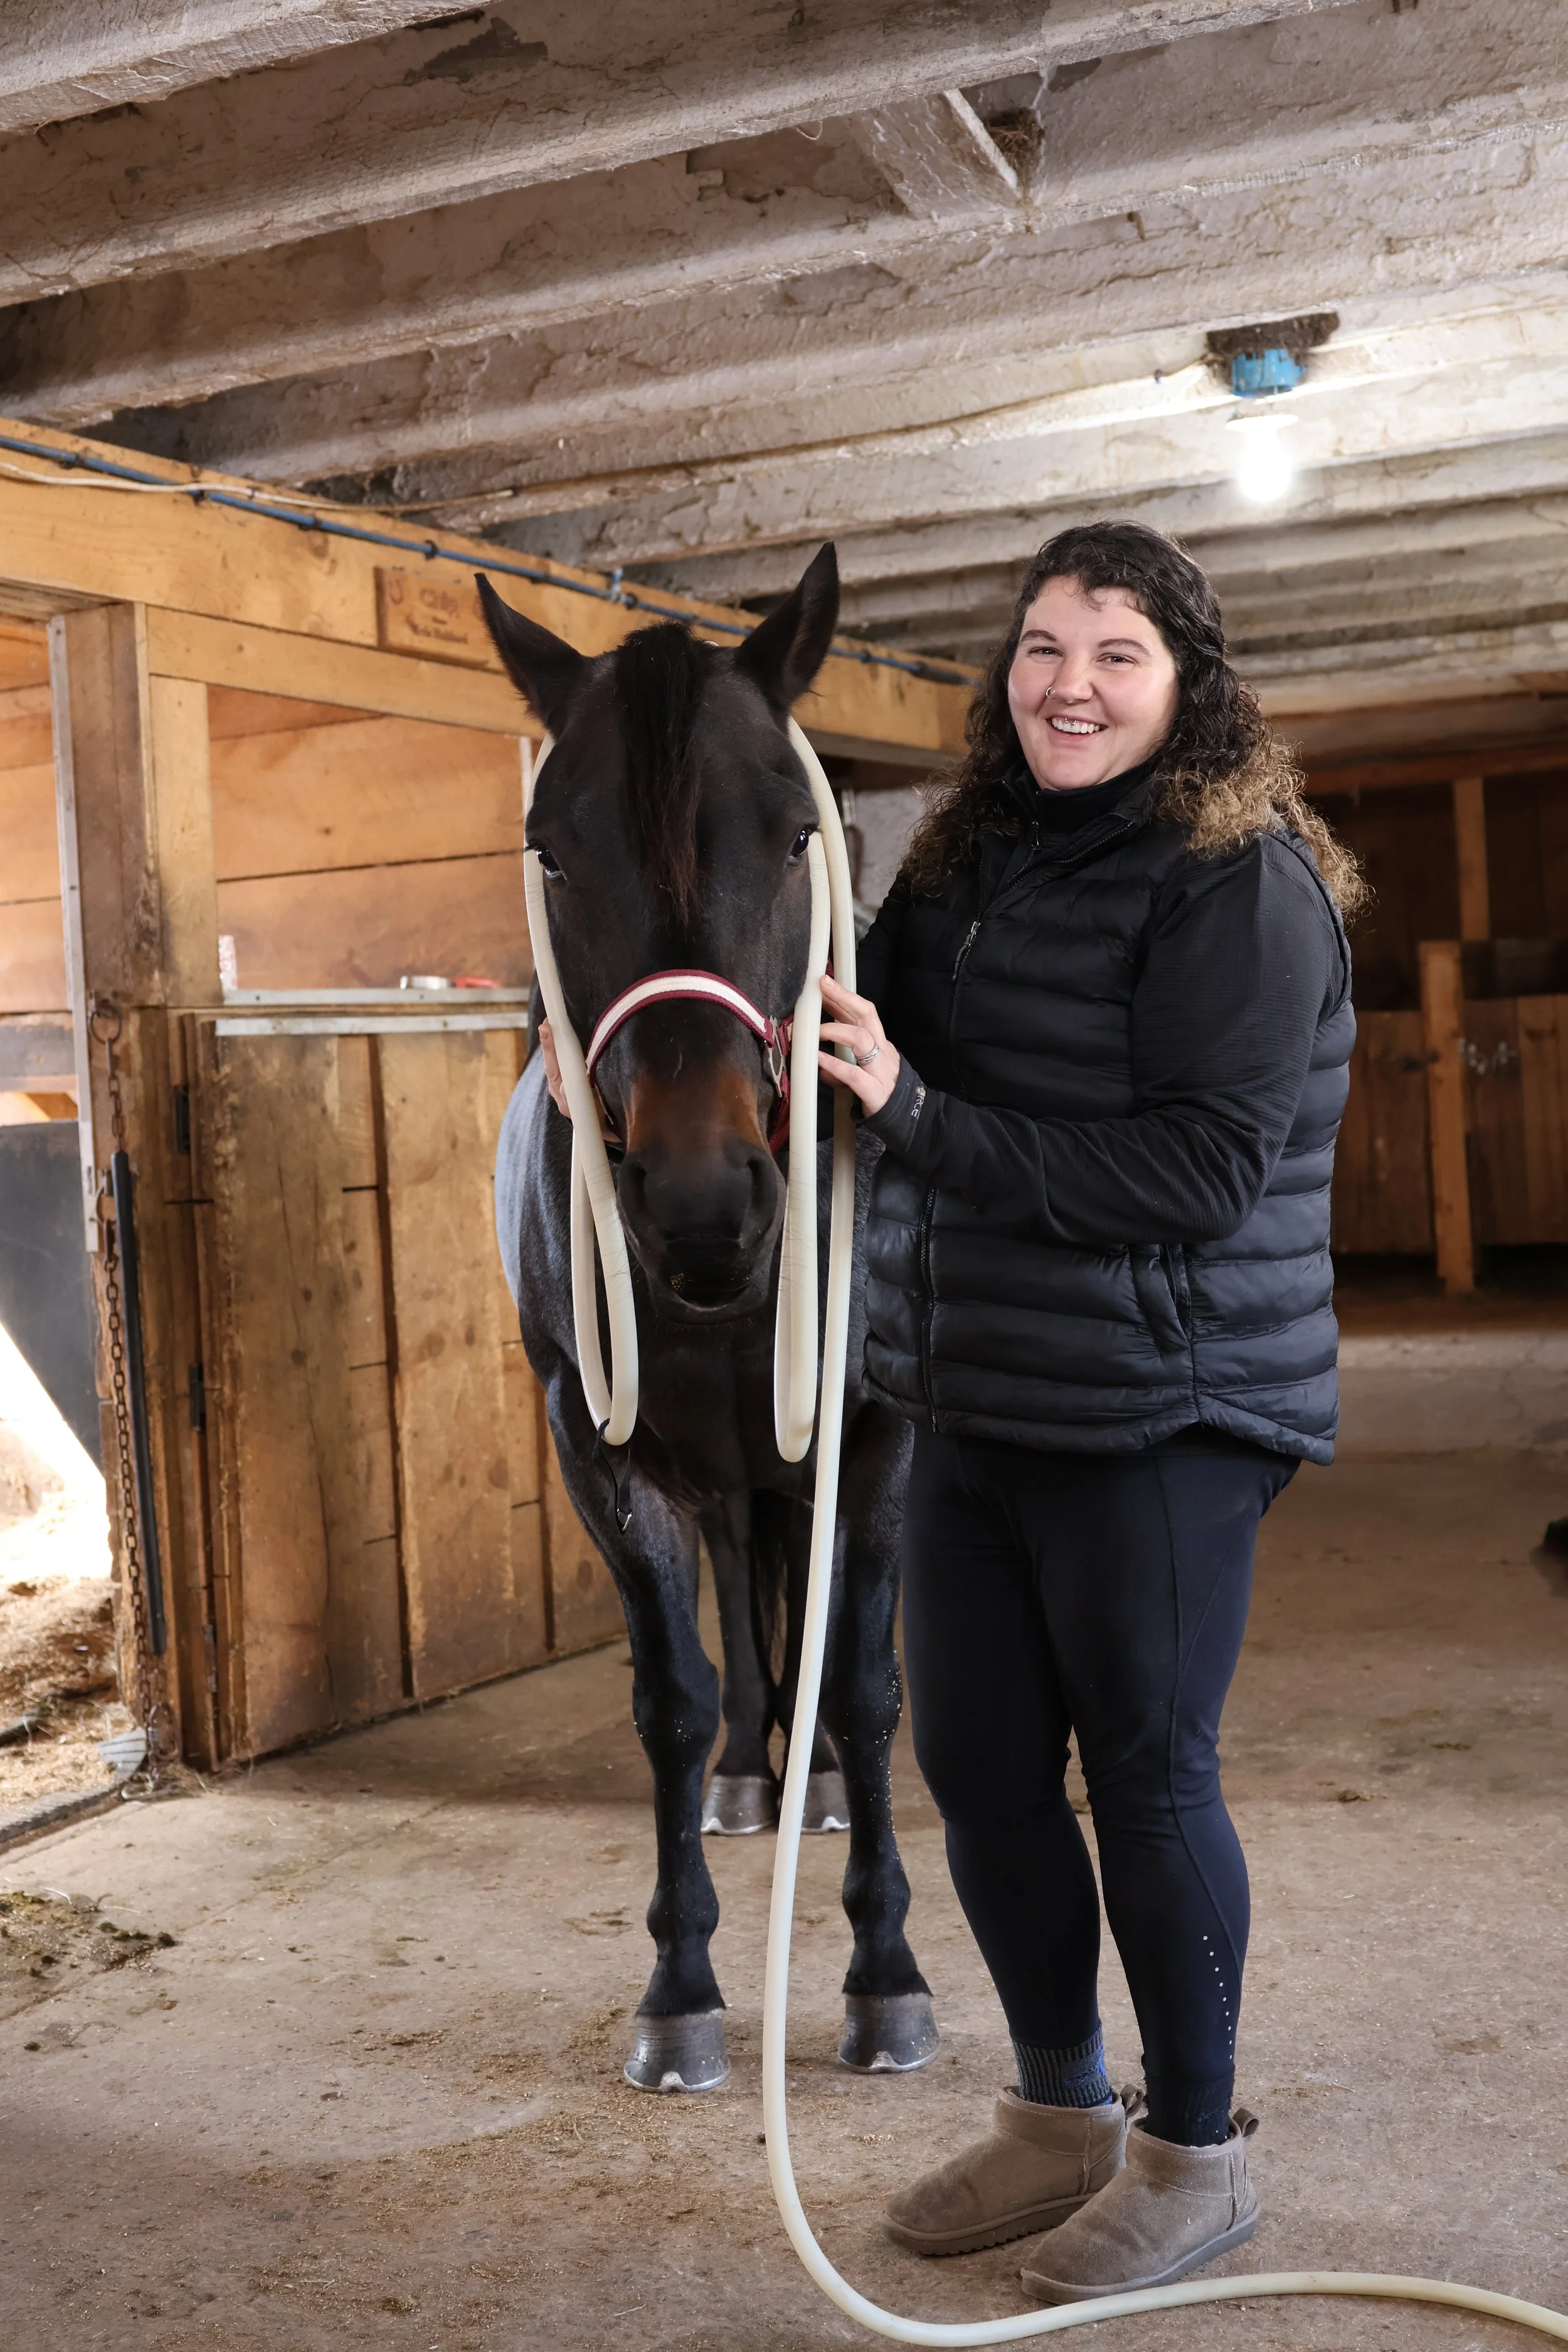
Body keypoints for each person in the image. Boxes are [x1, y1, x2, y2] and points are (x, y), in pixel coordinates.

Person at [817, 520, 1363, 2304]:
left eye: (1114, 654)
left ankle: (1192, 2152)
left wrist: (910, 1114)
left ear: (1185, 689)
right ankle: (1058, 2112)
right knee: (975, 1762)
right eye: (1043, 647)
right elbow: (860, 1035)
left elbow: (1200, 1170)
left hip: (1170, 1397)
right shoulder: (970, 856)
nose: (1066, 683)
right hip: (975, 1384)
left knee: (1141, 1765)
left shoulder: (1240, 875)